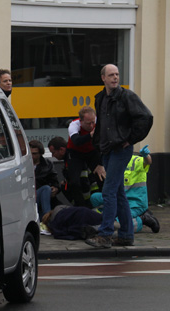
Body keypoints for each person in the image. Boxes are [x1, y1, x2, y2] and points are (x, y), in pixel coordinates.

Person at [85, 64, 153, 249]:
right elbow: (101, 124)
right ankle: (126, 235)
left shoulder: (127, 96)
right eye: (111, 75)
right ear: (103, 78)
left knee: (108, 191)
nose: (115, 78)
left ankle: (106, 234)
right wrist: (98, 143)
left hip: (121, 150)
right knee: (119, 193)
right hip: (107, 149)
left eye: (117, 74)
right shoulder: (100, 98)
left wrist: (130, 139)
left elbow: (146, 117)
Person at [90, 145, 160, 233]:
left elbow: (148, 162)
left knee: (122, 220)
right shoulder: (113, 161)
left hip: (135, 202)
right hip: (117, 198)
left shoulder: (136, 160)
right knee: (94, 198)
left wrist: (146, 155)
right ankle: (106, 219)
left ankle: (142, 220)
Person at [66, 106, 106, 207]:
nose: (92, 125)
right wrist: (91, 135)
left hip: (92, 152)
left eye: (93, 122)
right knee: (74, 182)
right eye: (88, 123)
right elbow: (76, 141)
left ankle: (105, 205)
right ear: (81, 121)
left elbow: (105, 145)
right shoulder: (74, 125)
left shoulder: (99, 123)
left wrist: (101, 164)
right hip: (76, 153)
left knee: (102, 176)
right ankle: (81, 207)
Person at [48, 136, 101, 207]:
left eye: (53, 152)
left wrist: (83, 205)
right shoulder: (69, 158)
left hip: (91, 197)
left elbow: (82, 181)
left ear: (62, 149)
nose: (52, 156)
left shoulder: (73, 158)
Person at [29, 140, 60, 220]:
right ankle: (47, 218)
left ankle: (46, 217)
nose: (32, 156)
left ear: (40, 154)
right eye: (30, 153)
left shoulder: (47, 164)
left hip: (43, 194)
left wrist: (55, 188)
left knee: (46, 189)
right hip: (28, 196)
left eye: (34, 154)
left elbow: (54, 180)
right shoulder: (24, 165)